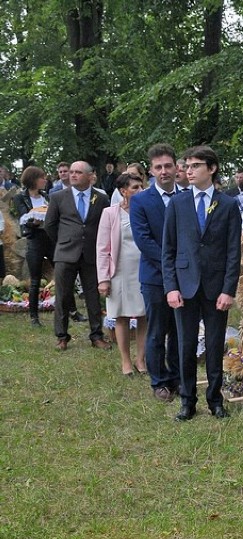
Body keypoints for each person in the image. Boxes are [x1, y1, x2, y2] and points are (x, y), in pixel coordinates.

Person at [162, 145, 242, 421]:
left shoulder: (229, 205)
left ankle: (215, 400)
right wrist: (171, 287)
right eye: (187, 165)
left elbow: (234, 251)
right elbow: (168, 249)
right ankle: (187, 400)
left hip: (215, 286)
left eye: (195, 165)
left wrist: (228, 289)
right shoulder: (178, 203)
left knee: (215, 344)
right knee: (184, 344)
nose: (188, 170)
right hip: (184, 285)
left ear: (212, 168)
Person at [130, 143, 182, 402]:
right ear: (151, 171)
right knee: (157, 330)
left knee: (179, 330)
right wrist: (171, 265)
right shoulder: (140, 200)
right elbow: (144, 240)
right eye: (158, 167)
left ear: (176, 167)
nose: (164, 171)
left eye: (168, 166)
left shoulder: (187, 196)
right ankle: (159, 380)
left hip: (185, 277)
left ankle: (177, 377)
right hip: (155, 277)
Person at [44, 161, 112, 351]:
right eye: (71, 172)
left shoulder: (101, 198)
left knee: (92, 296)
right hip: (65, 253)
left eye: (78, 172)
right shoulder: (58, 197)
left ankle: (97, 335)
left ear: (90, 176)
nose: (73, 175)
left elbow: (105, 225)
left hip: (91, 253)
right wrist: (64, 241)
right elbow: (49, 225)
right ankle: (62, 336)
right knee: (63, 296)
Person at [97, 173, 148, 376]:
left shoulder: (147, 211)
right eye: (134, 188)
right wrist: (103, 279)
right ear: (123, 191)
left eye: (141, 186)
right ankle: (126, 361)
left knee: (145, 315)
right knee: (121, 316)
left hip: (144, 270)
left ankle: (141, 359)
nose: (139, 191)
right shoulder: (110, 213)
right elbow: (102, 247)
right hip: (119, 271)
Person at [13, 166, 54, 326]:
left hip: (50, 239)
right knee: (35, 279)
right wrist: (34, 222)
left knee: (63, 274)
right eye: (42, 177)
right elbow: (24, 217)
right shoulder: (19, 197)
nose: (45, 180)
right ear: (33, 179)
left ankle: (72, 311)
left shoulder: (46, 196)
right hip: (35, 239)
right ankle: (34, 317)